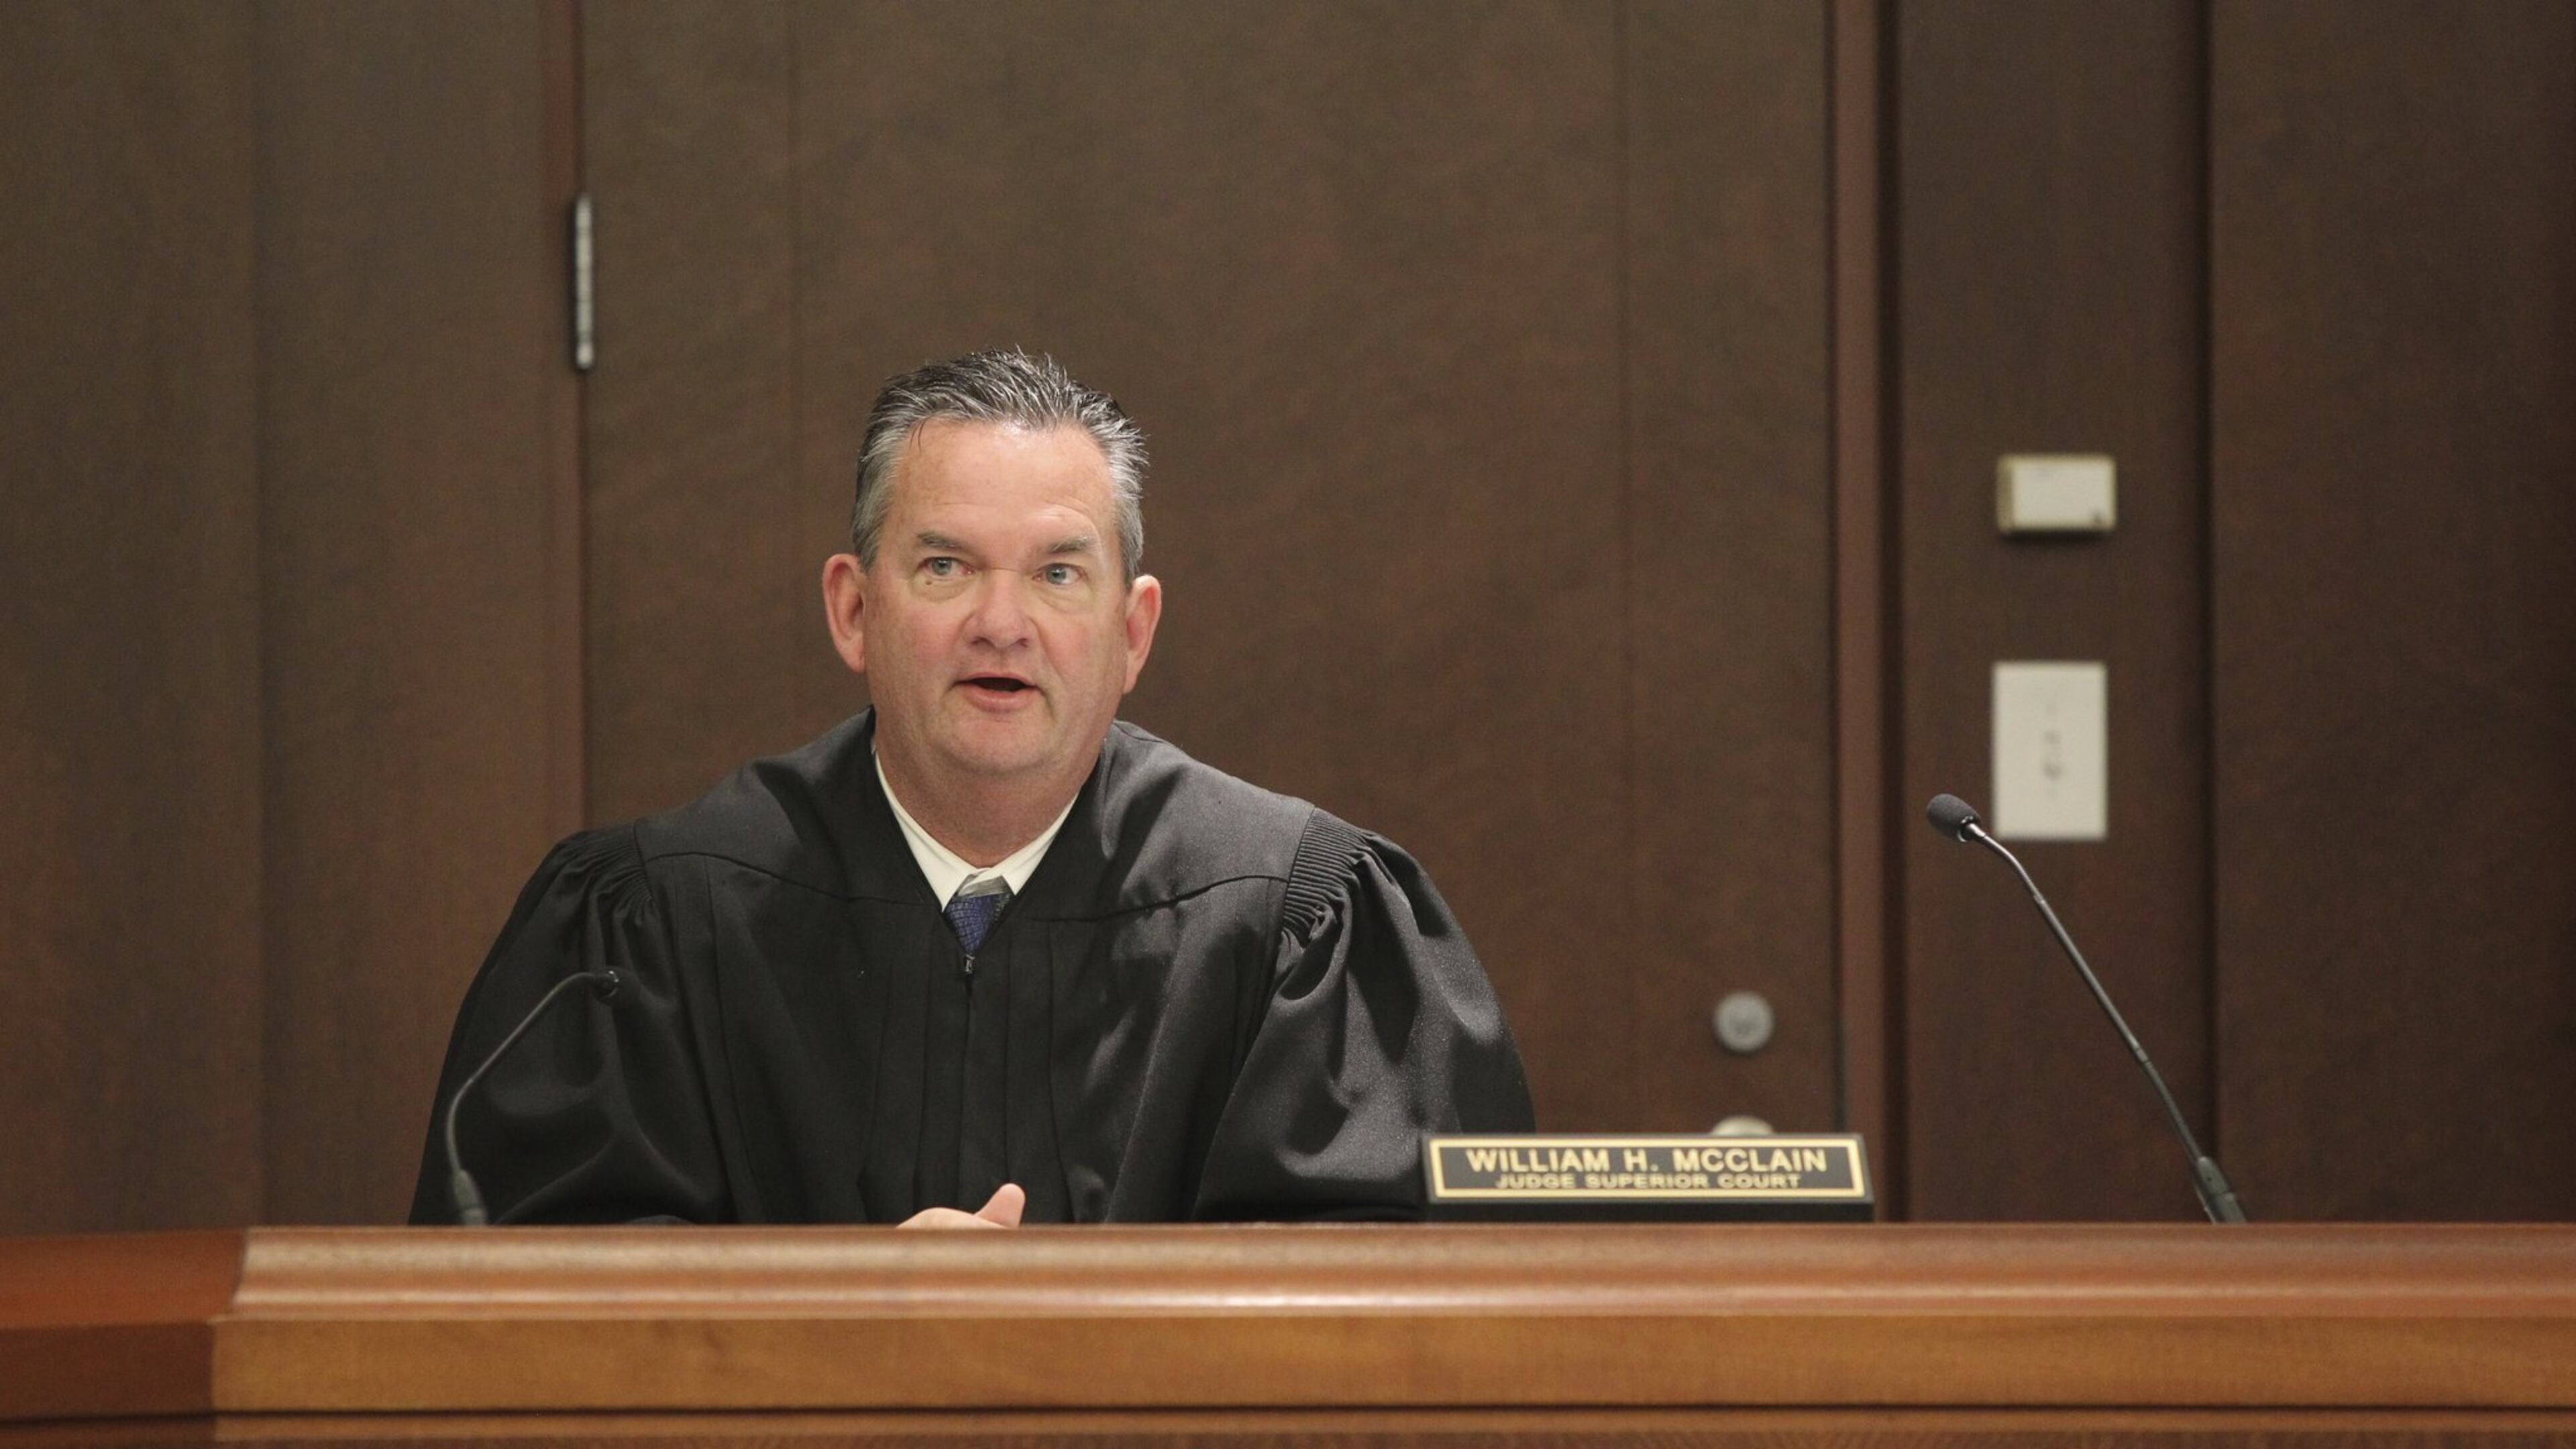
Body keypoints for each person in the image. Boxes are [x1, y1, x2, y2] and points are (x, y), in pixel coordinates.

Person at [409, 350, 1532, 1227]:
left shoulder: (1298, 923)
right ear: (855, 609)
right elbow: (535, 1316)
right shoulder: (648, 927)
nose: (1003, 624)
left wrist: (1057, 1336)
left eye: (1057, 573)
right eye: (945, 566)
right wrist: (852, 1326)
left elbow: (1397, 1319)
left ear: (1132, 630)